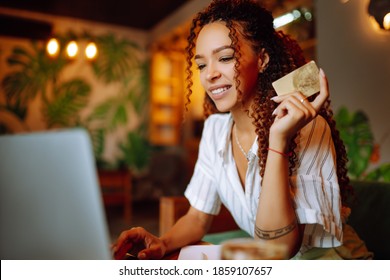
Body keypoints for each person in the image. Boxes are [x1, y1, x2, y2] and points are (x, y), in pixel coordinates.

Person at [113, 0, 371, 260]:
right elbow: (198, 217)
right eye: (201, 65)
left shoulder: (308, 129)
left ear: (262, 60)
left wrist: (278, 141)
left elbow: (279, 249)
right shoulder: (215, 131)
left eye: (225, 58)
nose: (209, 74)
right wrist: (161, 243)